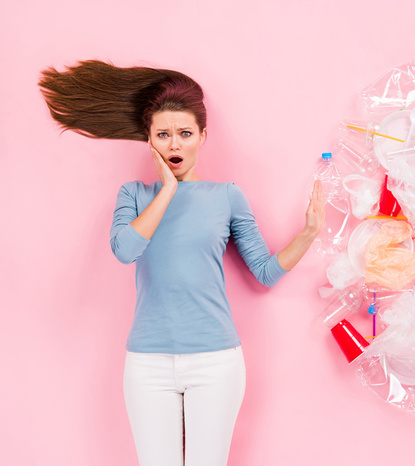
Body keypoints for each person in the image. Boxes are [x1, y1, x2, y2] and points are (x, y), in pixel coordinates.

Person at [39, 60, 325, 465]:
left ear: (202, 137)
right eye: (164, 135)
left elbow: (264, 271)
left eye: (185, 134)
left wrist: (309, 233)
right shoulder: (135, 194)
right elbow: (125, 250)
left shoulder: (226, 196)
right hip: (148, 364)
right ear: (150, 140)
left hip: (215, 362)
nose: (175, 145)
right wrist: (167, 190)